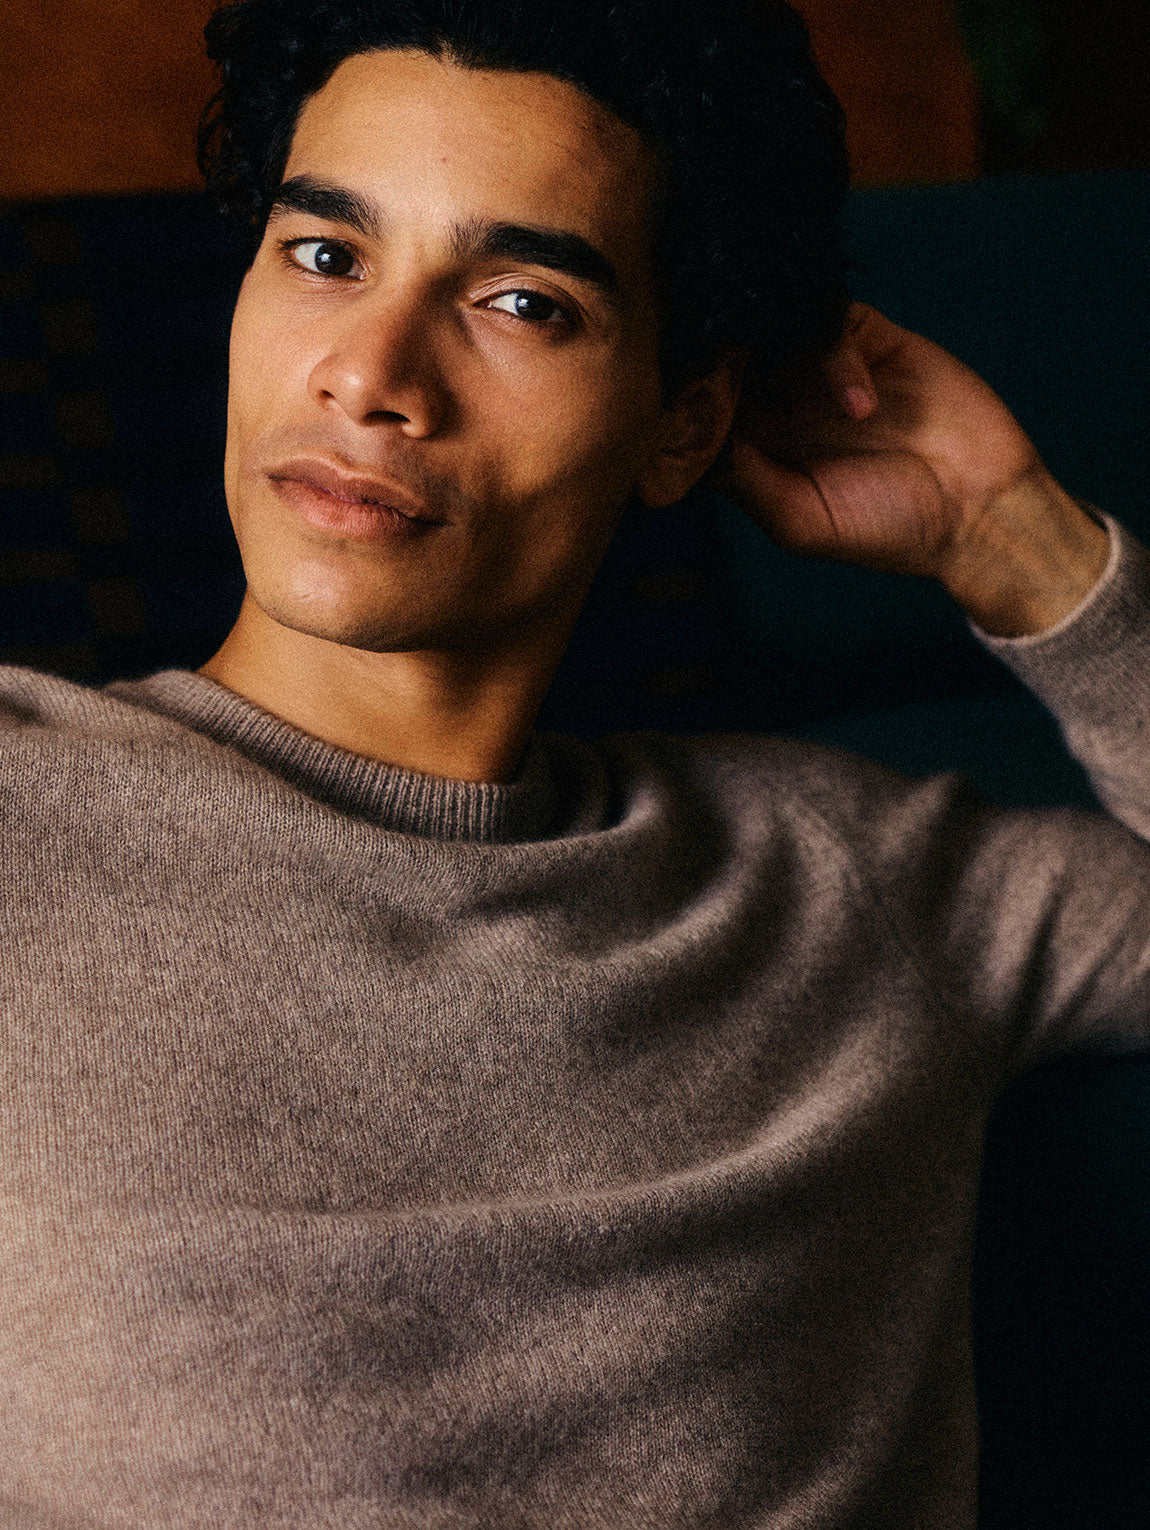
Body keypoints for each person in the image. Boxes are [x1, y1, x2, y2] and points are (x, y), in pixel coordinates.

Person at [0, 0, 1145, 1525]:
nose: (371, 374)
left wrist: (1021, 545)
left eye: (521, 301)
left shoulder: (846, 882)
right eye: (325, 254)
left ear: (682, 425)